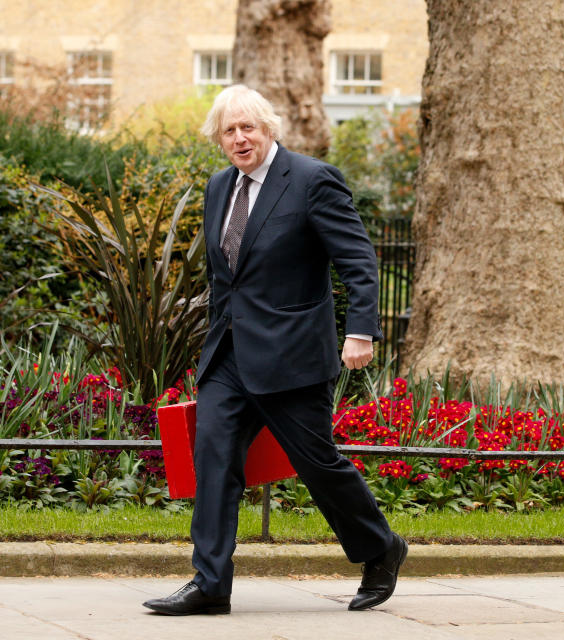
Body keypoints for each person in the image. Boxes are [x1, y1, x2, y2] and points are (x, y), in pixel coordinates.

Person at [143, 85, 406, 616]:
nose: (240, 139)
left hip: (293, 357)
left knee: (318, 464)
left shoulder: (312, 180)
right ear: (218, 139)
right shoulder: (219, 187)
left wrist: (360, 331)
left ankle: (381, 547)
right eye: (229, 131)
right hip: (230, 357)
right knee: (213, 460)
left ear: (269, 128)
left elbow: (357, 260)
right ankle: (210, 583)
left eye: (249, 128)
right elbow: (227, 278)